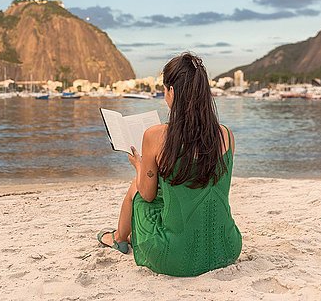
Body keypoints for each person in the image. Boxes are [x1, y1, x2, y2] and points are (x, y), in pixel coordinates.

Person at [97, 52, 242, 277]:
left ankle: (118, 238)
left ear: (172, 91)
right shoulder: (226, 135)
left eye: (164, 90)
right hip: (227, 248)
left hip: (176, 258)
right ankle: (118, 237)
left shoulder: (156, 136)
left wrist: (139, 165)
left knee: (136, 189)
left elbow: (146, 195)